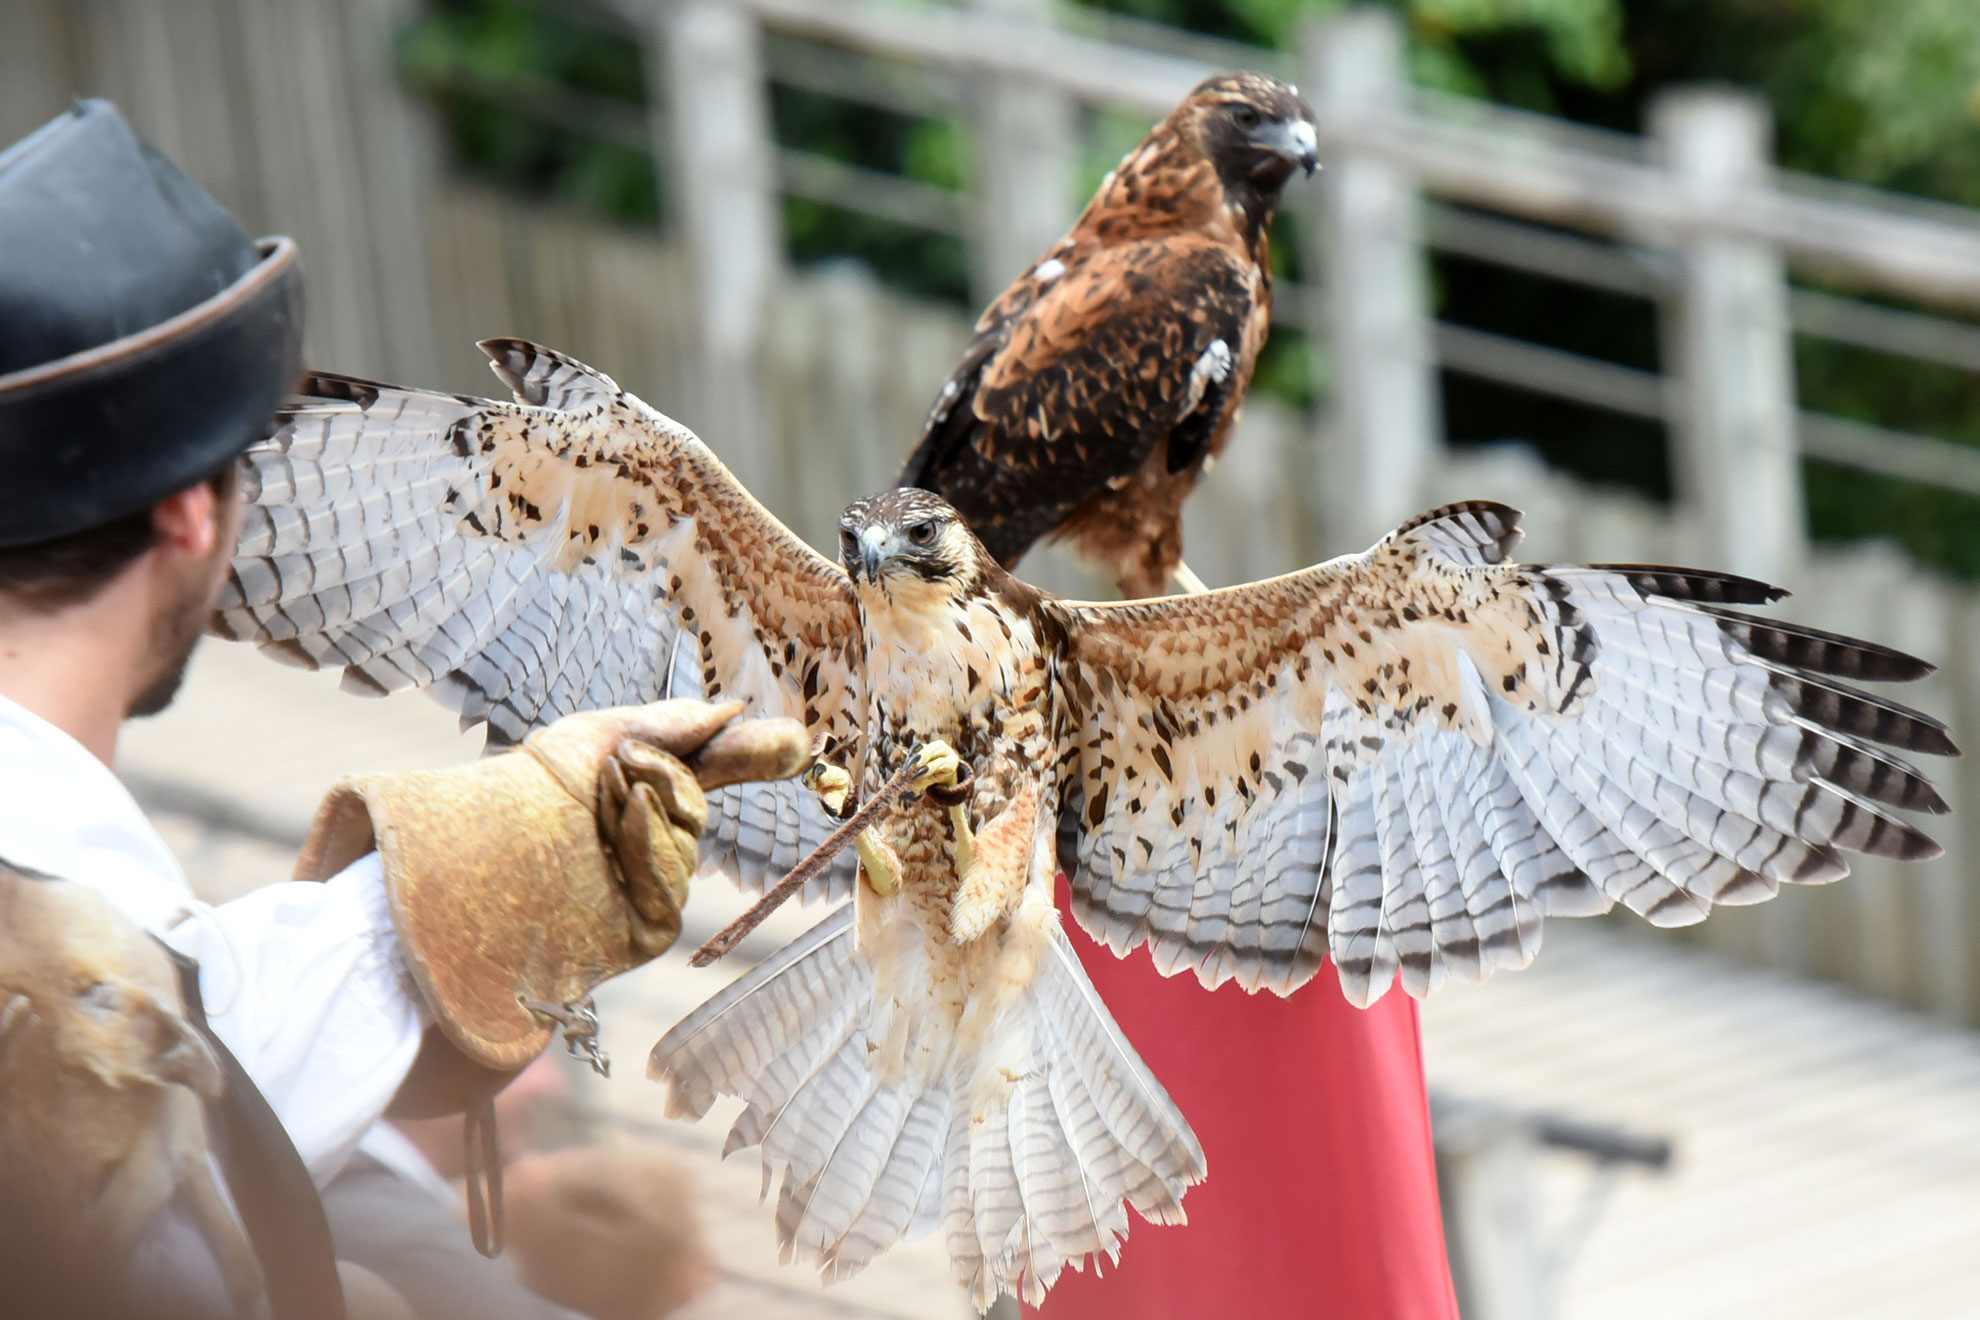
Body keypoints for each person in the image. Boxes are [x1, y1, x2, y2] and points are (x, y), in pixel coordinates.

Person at [0, 100, 806, 1320]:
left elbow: (176, 1041)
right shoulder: (61, 969)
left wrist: (458, 881)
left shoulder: (75, 904)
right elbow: (130, 1094)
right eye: (247, 464)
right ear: (191, 515)